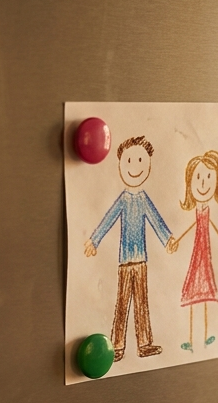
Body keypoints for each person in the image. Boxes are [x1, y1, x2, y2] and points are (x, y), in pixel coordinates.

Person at [84, 136, 171, 362]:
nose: (135, 167)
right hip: (125, 261)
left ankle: (144, 344)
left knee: (142, 302)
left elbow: (156, 220)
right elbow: (108, 220)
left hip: (141, 260)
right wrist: (94, 240)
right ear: (121, 164)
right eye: (129, 161)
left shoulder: (143, 199)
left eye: (140, 161)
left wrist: (167, 239)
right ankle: (117, 346)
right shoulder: (123, 199)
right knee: (122, 304)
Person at [168, 150, 218, 351]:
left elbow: (212, 226)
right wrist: (177, 240)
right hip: (198, 252)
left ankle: (204, 337)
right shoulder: (198, 211)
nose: (203, 183)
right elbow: (192, 227)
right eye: (198, 178)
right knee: (194, 292)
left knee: (203, 296)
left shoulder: (206, 210)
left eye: (208, 178)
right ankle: (190, 339)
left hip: (205, 253)